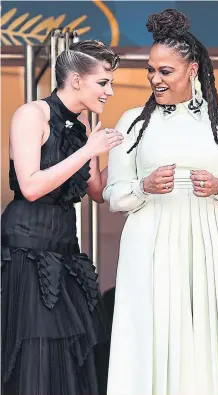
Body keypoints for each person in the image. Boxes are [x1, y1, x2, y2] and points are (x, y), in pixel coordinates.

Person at [103, 9, 218, 395]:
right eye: (151, 71)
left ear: (192, 70)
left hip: (214, 245)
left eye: (166, 71)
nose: (156, 79)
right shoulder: (132, 122)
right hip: (151, 244)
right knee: (153, 331)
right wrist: (143, 187)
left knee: (210, 331)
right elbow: (113, 194)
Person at [1, 40, 122, 395]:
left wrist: (130, 156)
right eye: (104, 82)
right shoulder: (31, 115)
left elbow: (97, 192)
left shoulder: (84, 127)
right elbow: (31, 186)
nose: (111, 91)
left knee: (71, 353)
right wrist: (88, 150)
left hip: (65, 250)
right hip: (28, 251)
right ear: (76, 80)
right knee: (36, 352)